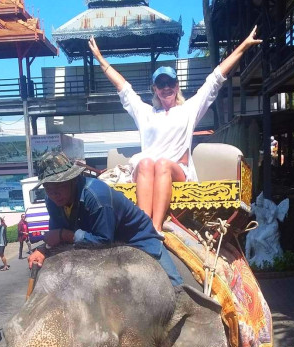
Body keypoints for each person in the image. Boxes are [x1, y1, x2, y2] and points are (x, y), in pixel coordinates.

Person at [88, 27, 263, 233]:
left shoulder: (188, 110)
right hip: (147, 172)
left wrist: (243, 46)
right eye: (161, 84)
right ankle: (143, 224)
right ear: (155, 89)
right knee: (145, 162)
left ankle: (155, 227)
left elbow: (215, 79)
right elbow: (123, 88)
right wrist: (100, 59)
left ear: (177, 85)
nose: (166, 87)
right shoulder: (145, 113)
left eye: (170, 82)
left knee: (162, 164)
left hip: (175, 171)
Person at [27, 151, 183, 286]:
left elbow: (104, 241)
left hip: (136, 240)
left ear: (72, 180)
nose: (54, 194)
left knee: (176, 288)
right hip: (90, 249)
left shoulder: (96, 196)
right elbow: (56, 234)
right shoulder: (52, 201)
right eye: (48, 188)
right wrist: (43, 249)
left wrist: (65, 235)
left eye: (59, 186)